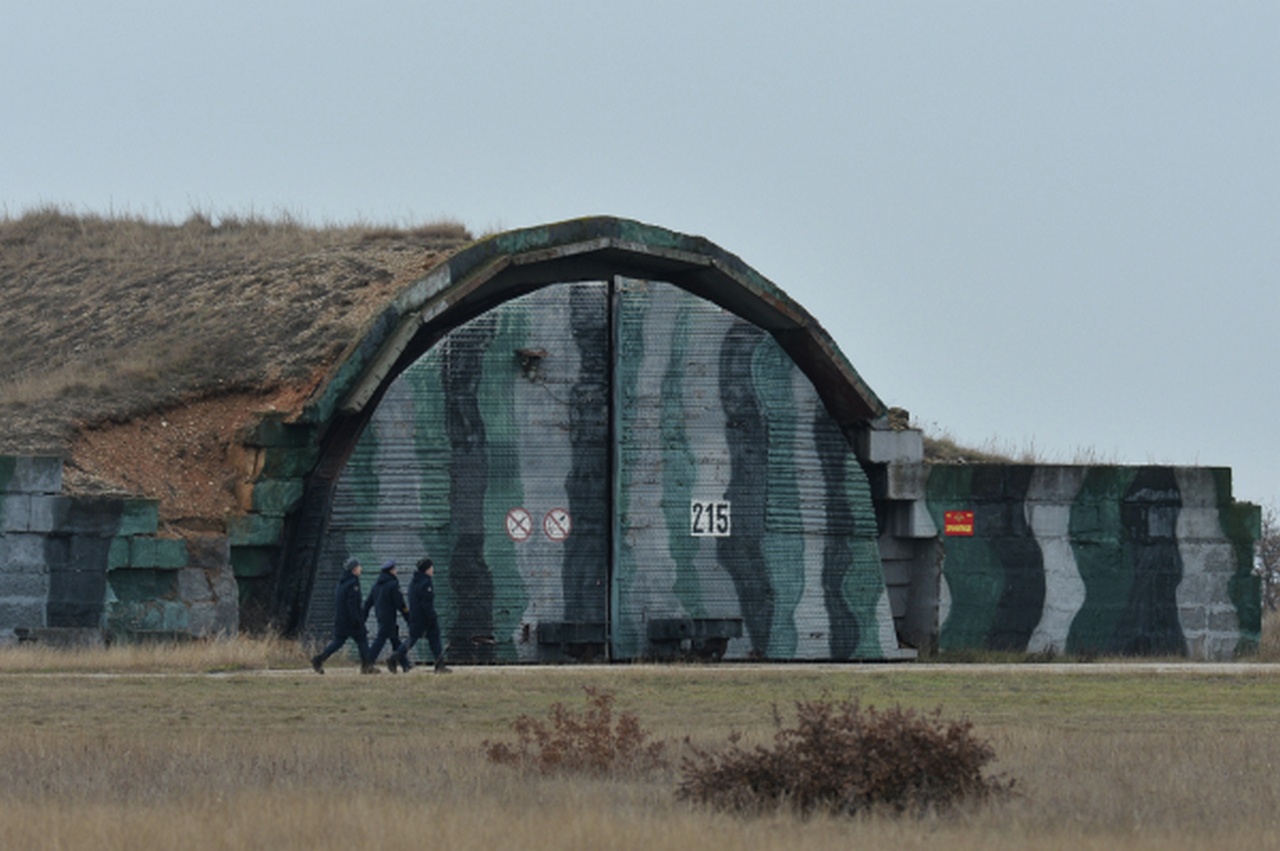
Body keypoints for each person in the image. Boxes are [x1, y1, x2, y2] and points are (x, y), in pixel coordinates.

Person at [311, 557, 378, 674]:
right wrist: (357, 620)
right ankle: (367, 666)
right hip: (351, 621)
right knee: (362, 640)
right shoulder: (353, 584)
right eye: (359, 567)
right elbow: (352, 604)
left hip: (341, 620)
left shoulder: (341, 583)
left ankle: (319, 659)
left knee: (338, 642)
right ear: (354, 569)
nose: (360, 569)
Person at [390, 556, 450, 673]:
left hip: (416, 616)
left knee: (421, 638)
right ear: (427, 569)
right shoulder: (425, 583)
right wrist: (432, 617)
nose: (433, 570)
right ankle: (395, 657)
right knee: (429, 638)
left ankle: (439, 663)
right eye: (431, 567)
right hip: (424, 618)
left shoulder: (414, 582)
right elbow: (426, 603)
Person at [364, 560, 411, 673]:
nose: (396, 571)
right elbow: (400, 603)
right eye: (395, 569)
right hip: (389, 617)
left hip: (380, 616)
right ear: (390, 571)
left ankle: (405, 664)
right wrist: (408, 617)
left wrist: (363, 616)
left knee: (394, 639)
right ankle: (367, 663)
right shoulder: (393, 584)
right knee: (380, 640)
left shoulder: (376, 586)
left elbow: (368, 603)